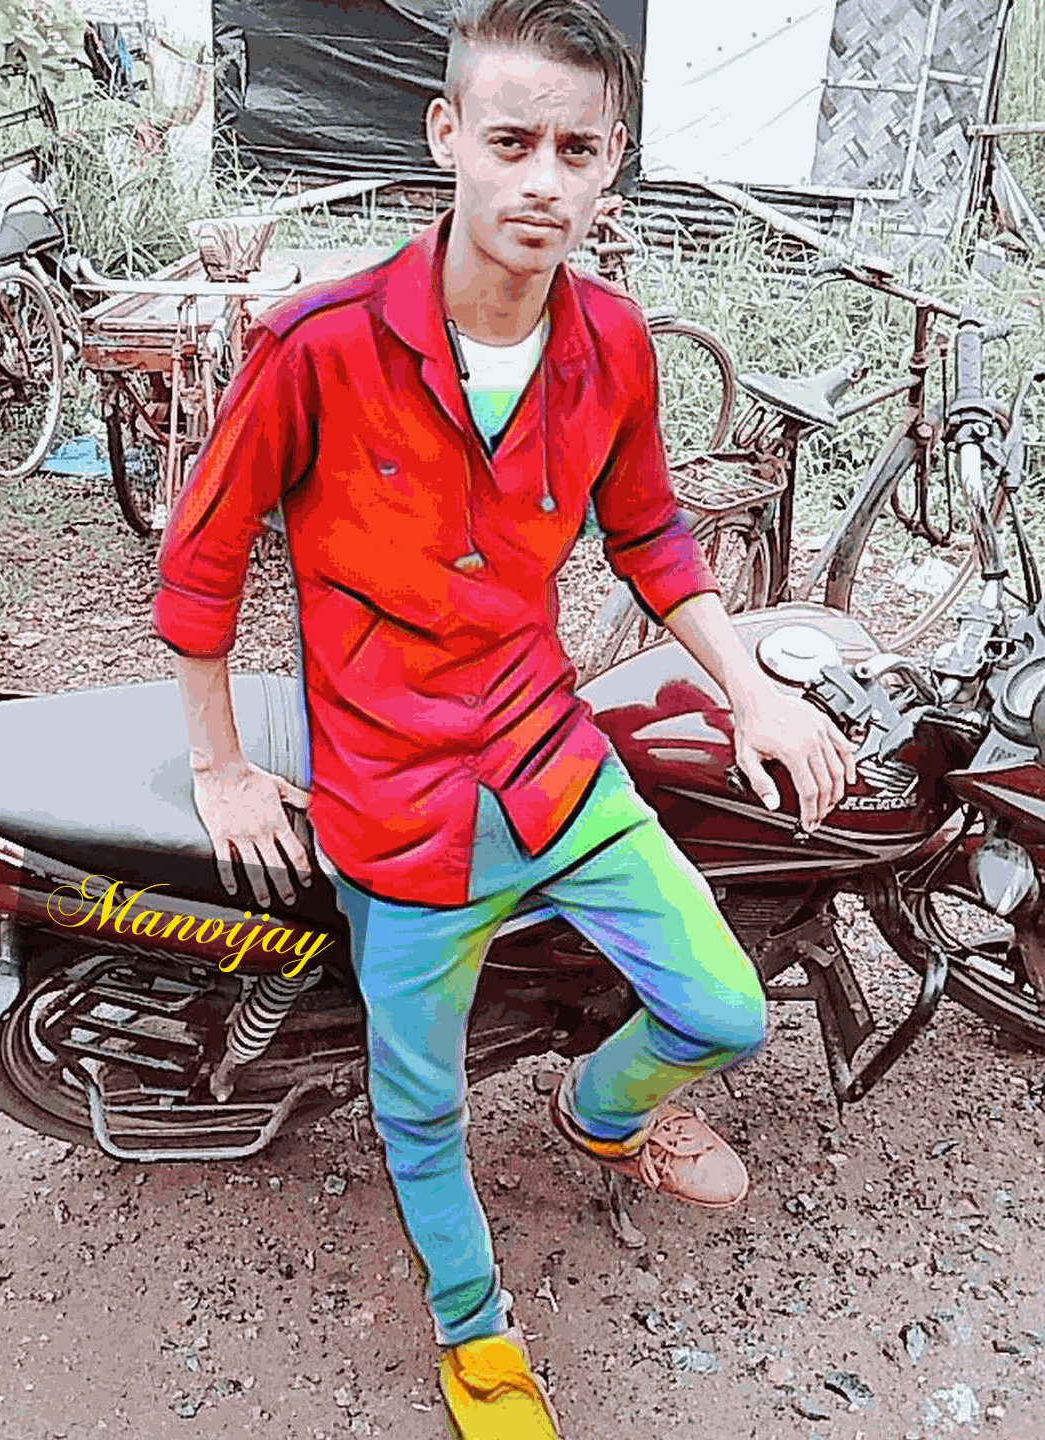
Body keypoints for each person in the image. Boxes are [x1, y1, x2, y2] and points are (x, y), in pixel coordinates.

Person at [152, 2, 857, 1434]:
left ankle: (600, 1110)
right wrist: (220, 765)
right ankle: (475, 1334)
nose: (542, 179)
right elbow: (202, 560)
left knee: (723, 1006)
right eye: (512, 140)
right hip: (395, 800)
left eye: (576, 150)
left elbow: (650, 534)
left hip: (549, 759)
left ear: (613, 165)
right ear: (447, 136)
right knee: (418, 1109)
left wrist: (752, 687)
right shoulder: (317, 344)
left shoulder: (614, 344)